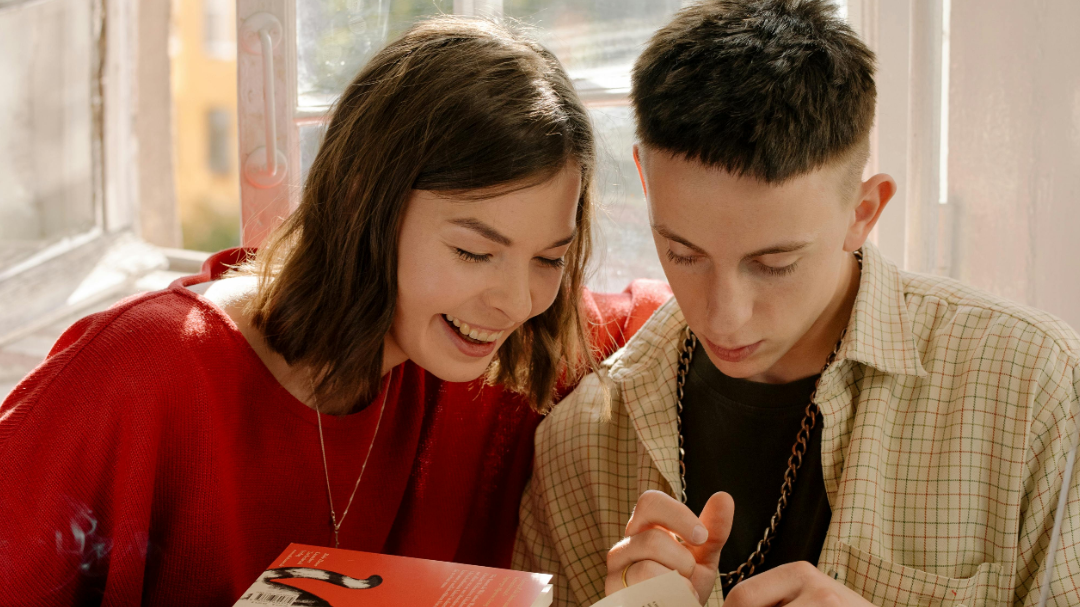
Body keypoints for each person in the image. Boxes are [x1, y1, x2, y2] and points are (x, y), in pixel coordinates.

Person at [0, 17, 671, 606]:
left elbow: (682, 321)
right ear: (361, 200)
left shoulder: (498, 359)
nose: (515, 300)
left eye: (549, 259)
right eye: (473, 251)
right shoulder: (147, 369)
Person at [514, 1, 1080, 606]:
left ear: (863, 211)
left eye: (774, 264)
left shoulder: (1034, 391)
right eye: (683, 253)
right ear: (645, 183)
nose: (723, 315)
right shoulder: (583, 443)